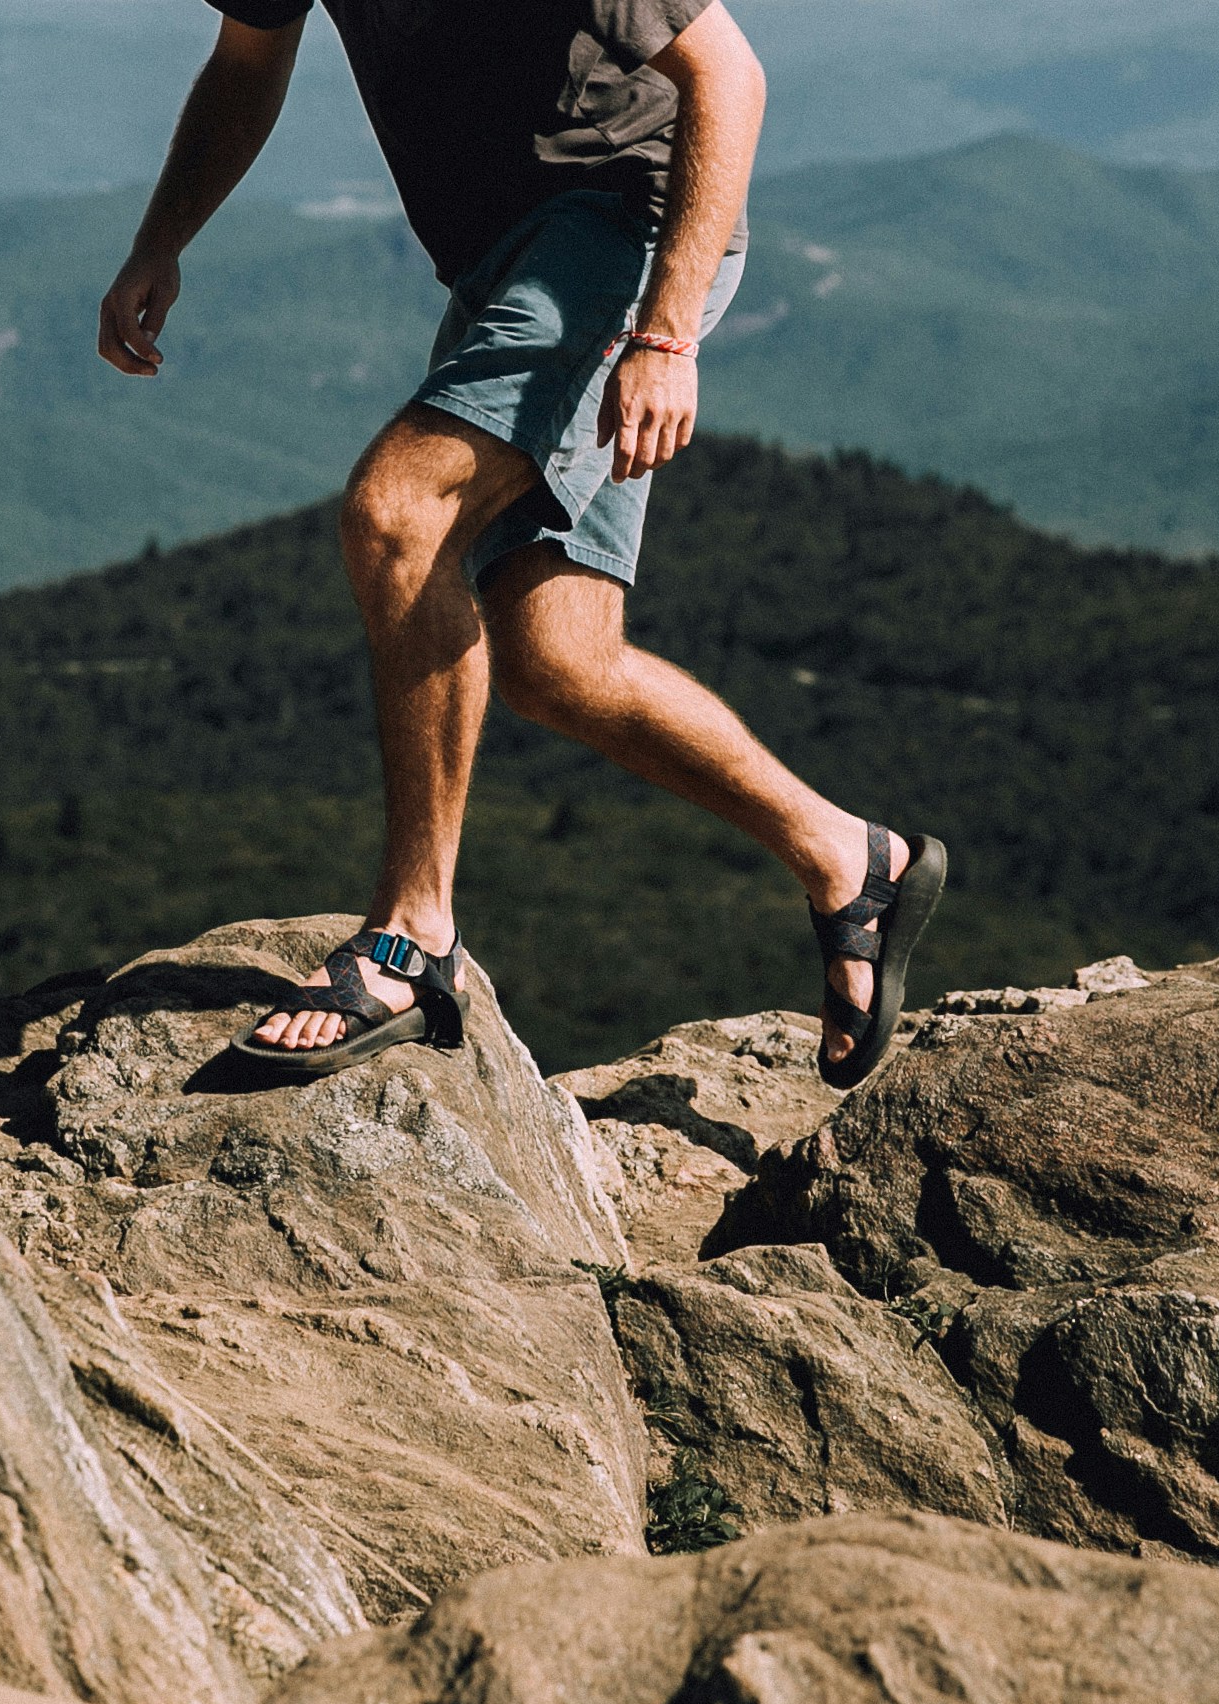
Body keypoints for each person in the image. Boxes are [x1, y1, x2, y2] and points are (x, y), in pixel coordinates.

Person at [97, 0, 944, 1091]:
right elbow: (245, 63)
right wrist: (160, 240)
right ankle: (850, 858)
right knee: (558, 662)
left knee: (399, 516)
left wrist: (665, 334)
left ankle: (413, 937)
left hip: (622, 228)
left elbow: (730, 78)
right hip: (509, 263)